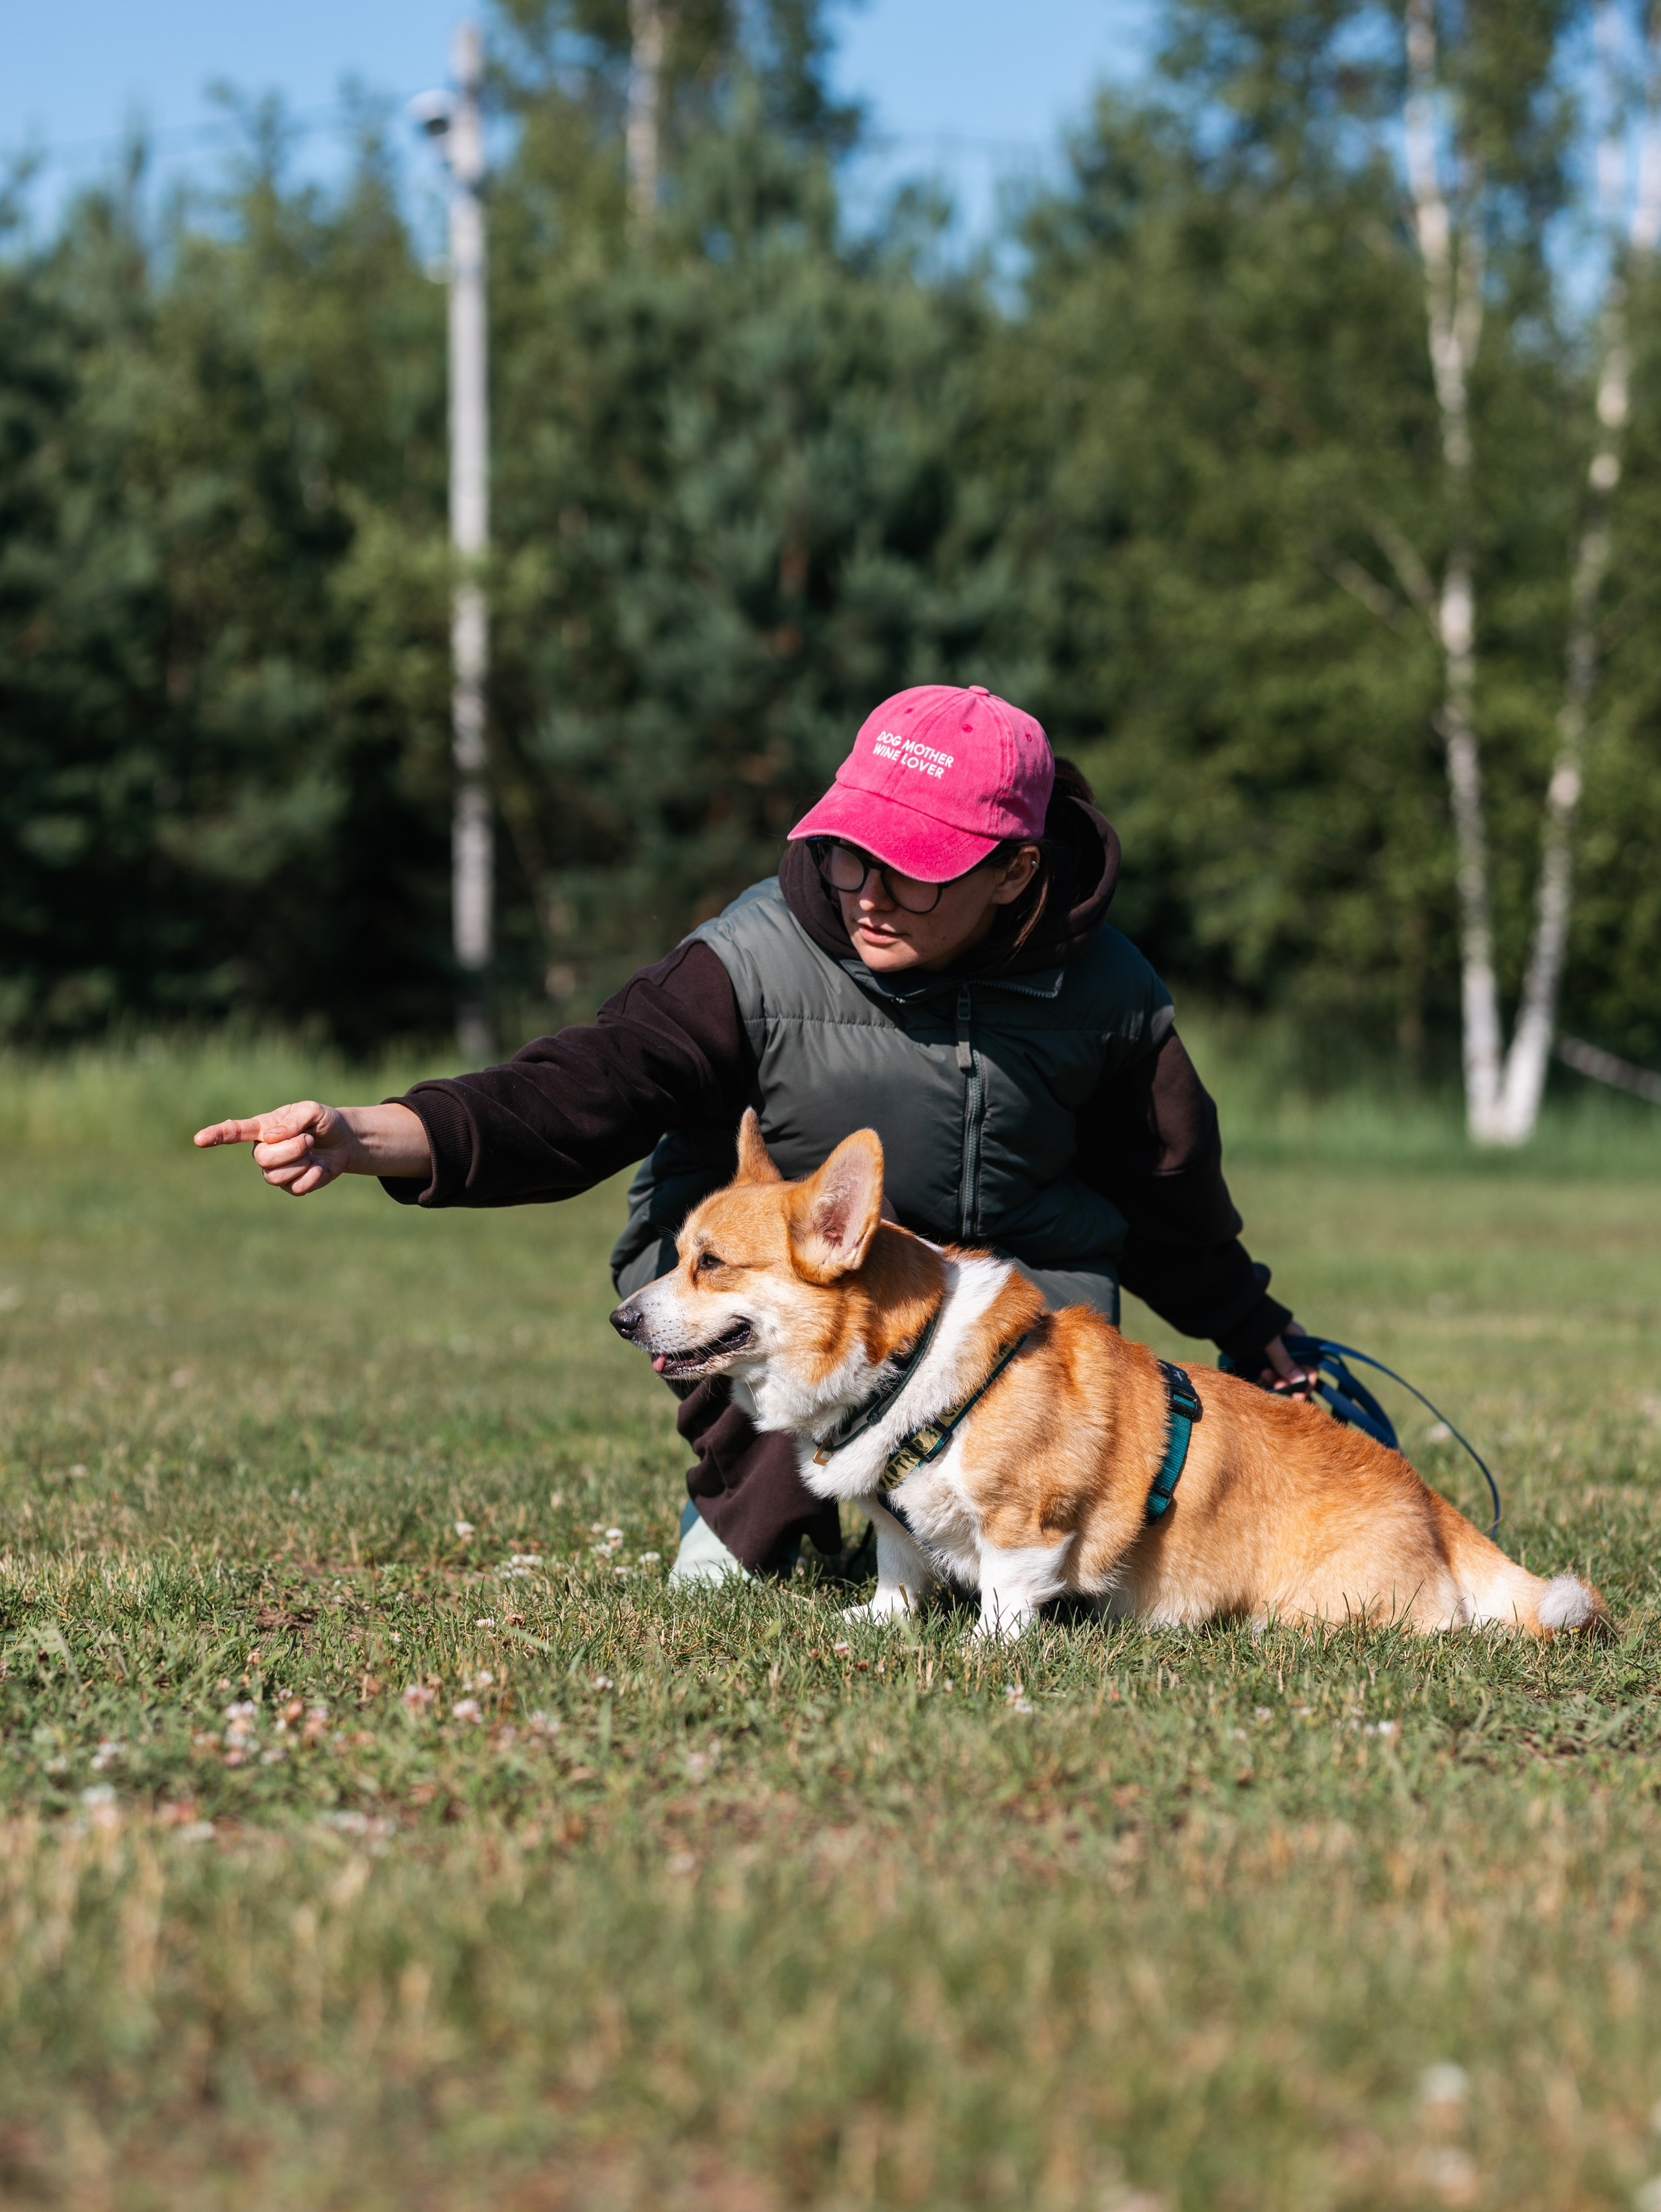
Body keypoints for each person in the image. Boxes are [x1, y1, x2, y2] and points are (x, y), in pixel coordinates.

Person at [196, 684, 1309, 1584]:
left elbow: (1174, 1197)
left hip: (1013, 1332)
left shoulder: (1109, 992)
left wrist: (1262, 1341)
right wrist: (381, 1133)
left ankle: (965, 1542)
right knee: (783, 1451)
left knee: (1062, 1573)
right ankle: (743, 1514)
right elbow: (587, 1087)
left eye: (916, 870)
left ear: (1015, 871)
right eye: (850, 851)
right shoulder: (752, 957)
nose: (869, 893)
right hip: (766, 1296)